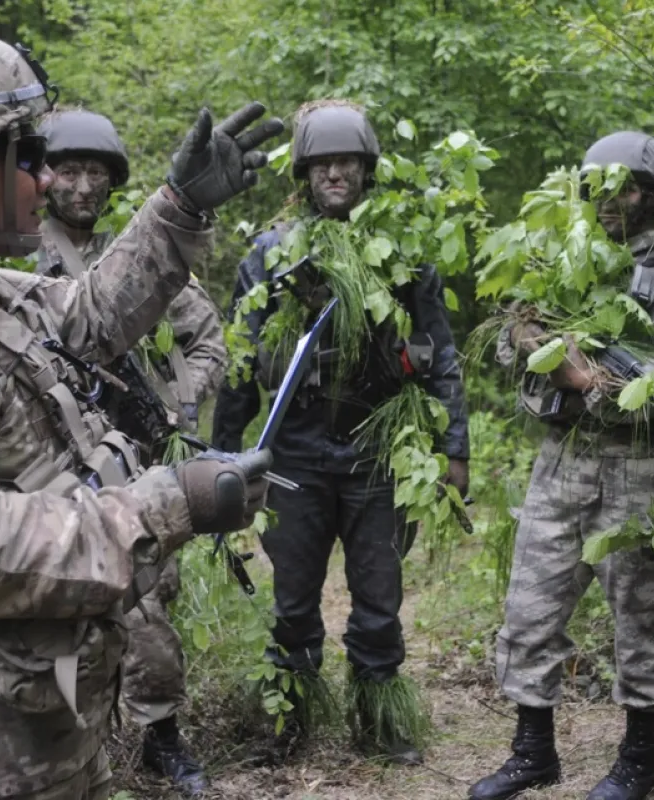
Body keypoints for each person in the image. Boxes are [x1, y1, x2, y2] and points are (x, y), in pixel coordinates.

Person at [0, 31, 282, 799]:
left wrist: (178, 209)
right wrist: (167, 505)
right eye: (28, 156)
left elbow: (93, 316)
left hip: (33, 717)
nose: (44, 181)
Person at [211, 100, 469, 766]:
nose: (335, 173)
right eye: (322, 162)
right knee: (293, 600)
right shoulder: (270, 255)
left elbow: (439, 353)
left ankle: (379, 720)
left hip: (378, 451)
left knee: (379, 600)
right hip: (294, 451)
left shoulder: (401, 251)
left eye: (346, 161)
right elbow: (241, 362)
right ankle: (288, 719)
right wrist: (223, 453)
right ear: (303, 171)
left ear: (365, 169)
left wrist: (454, 450)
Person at [468, 131, 654, 800]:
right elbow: (509, 336)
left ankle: (639, 761)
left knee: (640, 615)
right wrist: (527, 336)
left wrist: (591, 381)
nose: (611, 201)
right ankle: (533, 750)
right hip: (561, 461)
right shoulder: (570, 263)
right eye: (601, 189)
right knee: (529, 607)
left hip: (640, 468)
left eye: (627, 187)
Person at [34, 108, 228, 796]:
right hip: (48, 461)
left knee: (148, 603)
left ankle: (159, 735)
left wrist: (179, 400)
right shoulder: (19, 261)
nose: (82, 187)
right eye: (70, 171)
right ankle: (68, 746)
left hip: (134, 454)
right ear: (44, 177)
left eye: (96, 173)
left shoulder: (143, 254)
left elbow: (208, 344)